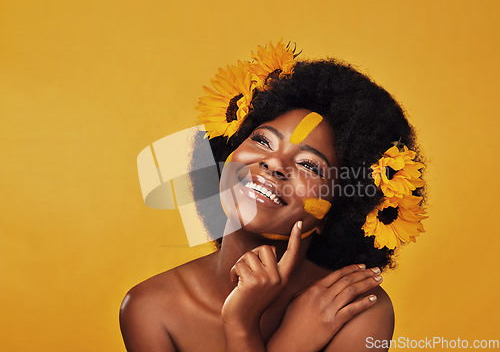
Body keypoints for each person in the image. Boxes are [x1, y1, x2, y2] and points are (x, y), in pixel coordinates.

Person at [120, 41, 427, 351]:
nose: (274, 163)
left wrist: (240, 326)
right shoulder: (150, 307)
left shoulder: (357, 309)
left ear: (339, 209)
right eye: (263, 141)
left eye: (309, 164)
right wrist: (277, 338)